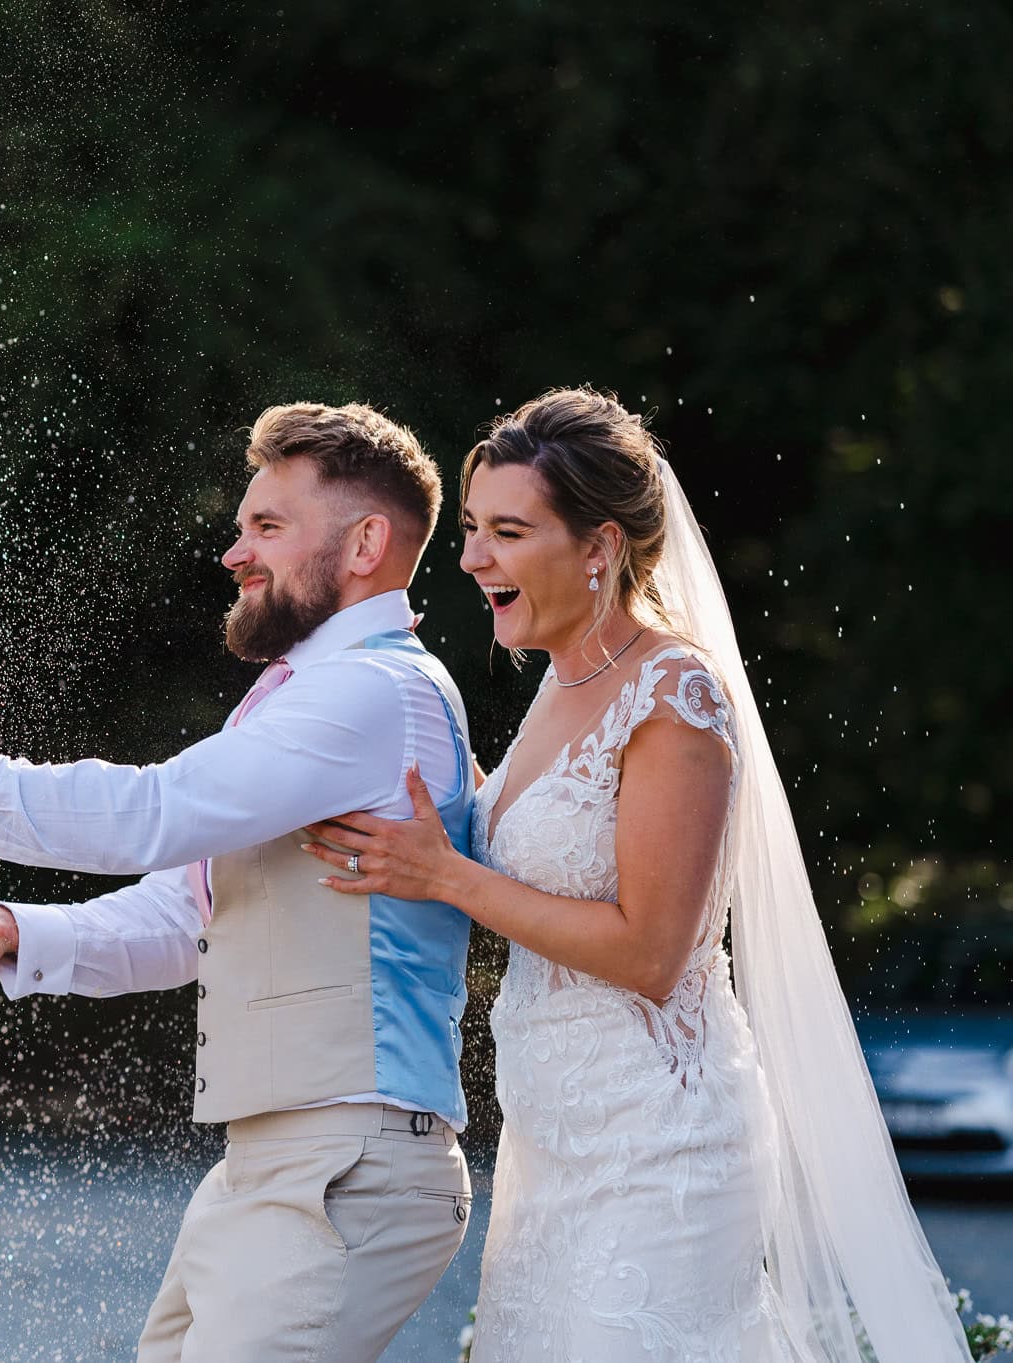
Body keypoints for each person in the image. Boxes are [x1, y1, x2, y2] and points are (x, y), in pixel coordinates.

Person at [305, 388, 968, 1362]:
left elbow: (653, 951)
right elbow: (530, 841)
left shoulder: (673, 694)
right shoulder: (560, 680)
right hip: (551, 1141)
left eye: (507, 532)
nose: (472, 557)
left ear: (599, 547)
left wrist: (445, 876)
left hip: (660, 1145)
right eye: (473, 529)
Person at [0, 402, 479, 1362]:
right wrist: (14, 932)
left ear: (366, 543)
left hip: (345, 1167)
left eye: (268, 526)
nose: (235, 553)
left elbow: (153, 812)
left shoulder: (373, 692)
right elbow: (186, 909)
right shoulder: (310, 696)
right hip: (274, 1163)